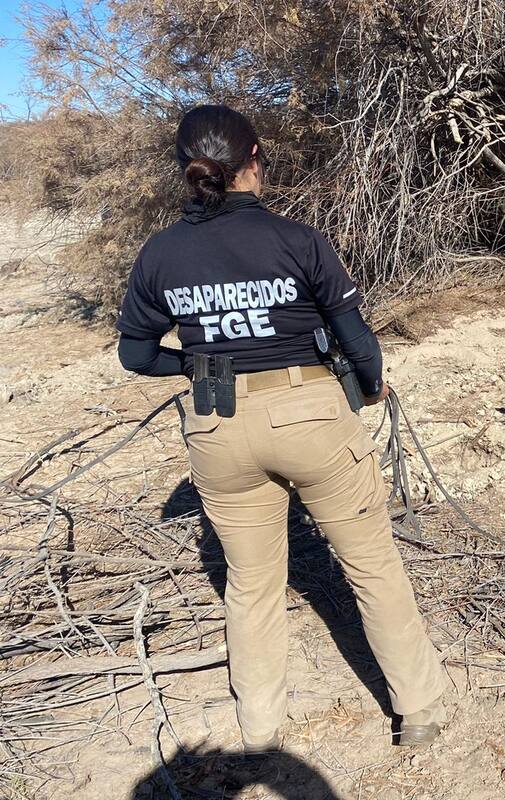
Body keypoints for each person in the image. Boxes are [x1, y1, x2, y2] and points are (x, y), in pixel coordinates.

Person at [116, 105, 446, 752]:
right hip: (310, 415)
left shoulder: (160, 253)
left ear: (187, 170)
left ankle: (260, 728)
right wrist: (370, 387)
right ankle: (417, 711)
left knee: (250, 585)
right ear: (254, 159)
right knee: (372, 566)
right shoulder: (298, 240)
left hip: (219, 425)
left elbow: (136, 354)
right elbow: (359, 343)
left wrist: (200, 364)